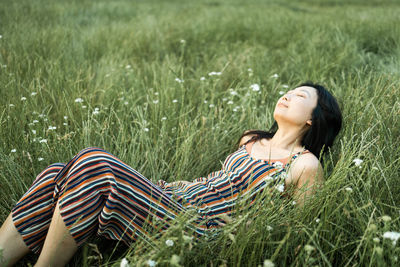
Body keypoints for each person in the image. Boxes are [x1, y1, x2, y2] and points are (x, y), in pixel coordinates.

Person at [0, 82, 342, 267]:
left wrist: (249, 233)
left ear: (314, 118)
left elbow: (299, 230)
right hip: (175, 199)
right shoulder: (252, 138)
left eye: (300, 96)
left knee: (93, 162)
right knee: (56, 173)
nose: (287, 94)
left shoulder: (304, 164)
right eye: (289, 90)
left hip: (199, 227)